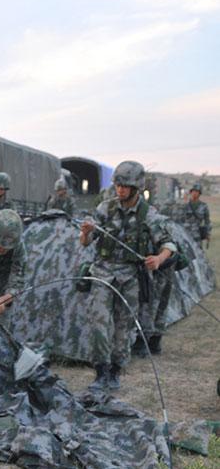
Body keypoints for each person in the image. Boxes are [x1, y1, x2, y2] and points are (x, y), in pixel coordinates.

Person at [79, 161, 175, 391]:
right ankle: (100, 372)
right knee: (98, 323)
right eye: (118, 185)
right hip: (103, 273)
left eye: (125, 186)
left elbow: (168, 244)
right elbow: (86, 242)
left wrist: (158, 259)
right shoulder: (105, 208)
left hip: (131, 277)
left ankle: (115, 371)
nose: (120, 189)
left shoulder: (148, 214)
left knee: (124, 328)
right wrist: (85, 233)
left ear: (136, 188)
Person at [178, 183, 211, 249]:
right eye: (193, 191)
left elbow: (207, 221)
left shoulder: (203, 206)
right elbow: (179, 218)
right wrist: (183, 204)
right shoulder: (186, 205)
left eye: (196, 191)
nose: (194, 193)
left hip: (197, 234)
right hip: (186, 233)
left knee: (198, 253)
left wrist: (208, 233)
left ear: (199, 193)